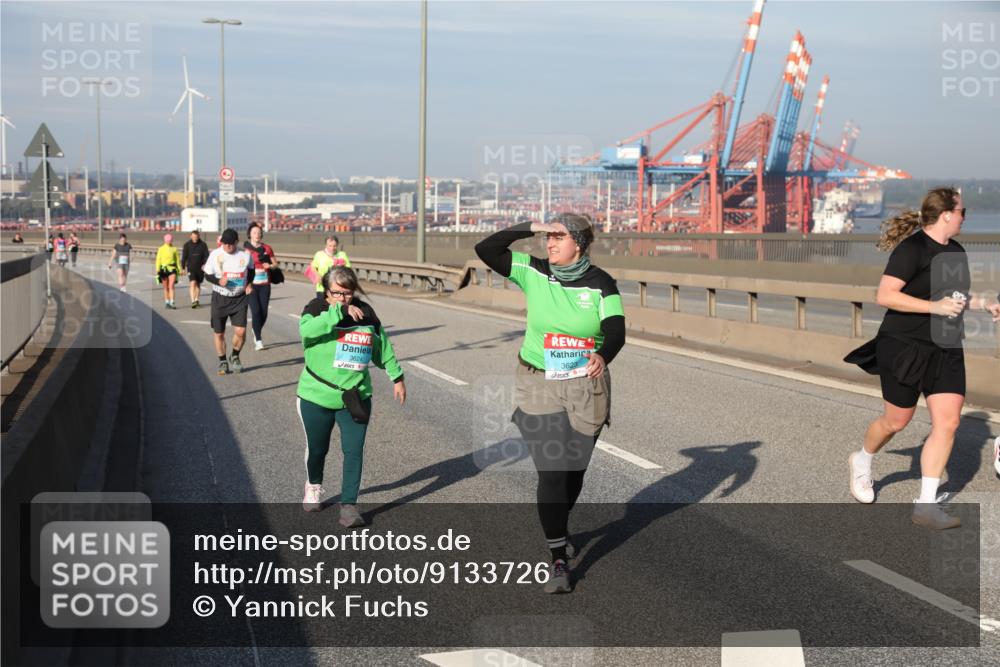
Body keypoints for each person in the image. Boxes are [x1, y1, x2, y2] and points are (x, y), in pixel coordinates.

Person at [475, 213, 626, 593]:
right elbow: (486, 249)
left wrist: (603, 355)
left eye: (559, 237)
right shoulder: (533, 271)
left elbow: (616, 331)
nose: (550, 243)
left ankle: (559, 522)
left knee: (574, 473)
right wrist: (531, 227)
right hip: (537, 383)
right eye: (549, 237)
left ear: (579, 243)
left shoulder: (601, 284)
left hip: (584, 385)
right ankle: (558, 559)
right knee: (553, 471)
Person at [845, 188, 1000, 529]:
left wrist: (983, 303)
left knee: (948, 423)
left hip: (945, 347)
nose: (965, 216)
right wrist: (934, 307)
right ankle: (863, 459)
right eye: (962, 211)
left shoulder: (956, 252)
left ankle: (926, 507)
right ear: (946, 214)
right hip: (904, 346)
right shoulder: (912, 249)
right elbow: (885, 295)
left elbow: (954, 297)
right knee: (896, 422)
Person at [297, 266, 405, 527]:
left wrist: (396, 376)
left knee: (354, 450)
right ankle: (313, 485)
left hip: (355, 396)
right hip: (316, 395)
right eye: (337, 293)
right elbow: (306, 332)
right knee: (318, 450)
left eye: (347, 293)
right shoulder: (315, 309)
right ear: (326, 292)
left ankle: (348, 506)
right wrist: (338, 312)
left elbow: (381, 348)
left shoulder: (366, 313)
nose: (343, 298)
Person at [203, 228, 254, 375]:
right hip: (220, 297)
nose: (228, 247)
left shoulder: (244, 255)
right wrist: (219, 281)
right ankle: (223, 360)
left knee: (241, 331)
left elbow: (251, 271)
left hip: (239, 298)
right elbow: (207, 275)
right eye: (225, 244)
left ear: (236, 242)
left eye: (231, 244)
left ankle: (235, 356)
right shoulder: (215, 254)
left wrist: (249, 284)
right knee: (219, 333)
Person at [244, 223, 279, 350]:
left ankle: (255, 328)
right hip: (251, 285)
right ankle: (258, 340)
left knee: (264, 313)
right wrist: (246, 284)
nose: (257, 235)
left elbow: (275, 264)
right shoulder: (246, 250)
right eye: (254, 232)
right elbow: (243, 268)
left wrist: (270, 266)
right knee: (256, 311)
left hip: (265, 284)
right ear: (250, 235)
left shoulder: (267, 248)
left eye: (259, 233)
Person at [181, 230, 210, 309]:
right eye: (193, 237)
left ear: (199, 236)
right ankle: (193, 301)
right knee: (192, 283)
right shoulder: (187, 245)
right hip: (191, 267)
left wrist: (205, 264)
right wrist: (183, 268)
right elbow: (184, 257)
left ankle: (197, 299)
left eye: (196, 237)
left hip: (200, 268)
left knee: (198, 284)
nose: (195, 238)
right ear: (191, 236)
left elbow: (206, 256)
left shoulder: (203, 245)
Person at [155, 233, 182, 309]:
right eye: (168, 240)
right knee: (165, 287)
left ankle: (172, 302)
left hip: (172, 268)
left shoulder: (174, 249)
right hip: (163, 269)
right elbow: (158, 260)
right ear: (165, 240)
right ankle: (167, 302)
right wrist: (157, 269)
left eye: (170, 240)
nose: (169, 241)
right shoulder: (161, 249)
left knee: (171, 285)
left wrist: (179, 269)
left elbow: (177, 260)